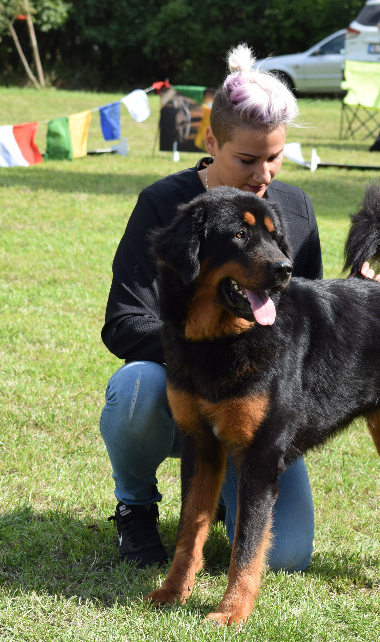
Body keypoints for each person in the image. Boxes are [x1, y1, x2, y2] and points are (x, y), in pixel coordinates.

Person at [100, 44, 321, 571]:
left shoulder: (293, 208)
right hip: (179, 395)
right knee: (135, 389)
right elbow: (123, 323)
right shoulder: (164, 205)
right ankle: (135, 507)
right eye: (246, 159)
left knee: (287, 557)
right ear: (211, 141)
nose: (263, 175)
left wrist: (358, 290)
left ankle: (227, 501)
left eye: (274, 157)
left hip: (254, 408)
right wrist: (208, 349)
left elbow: (303, 319)